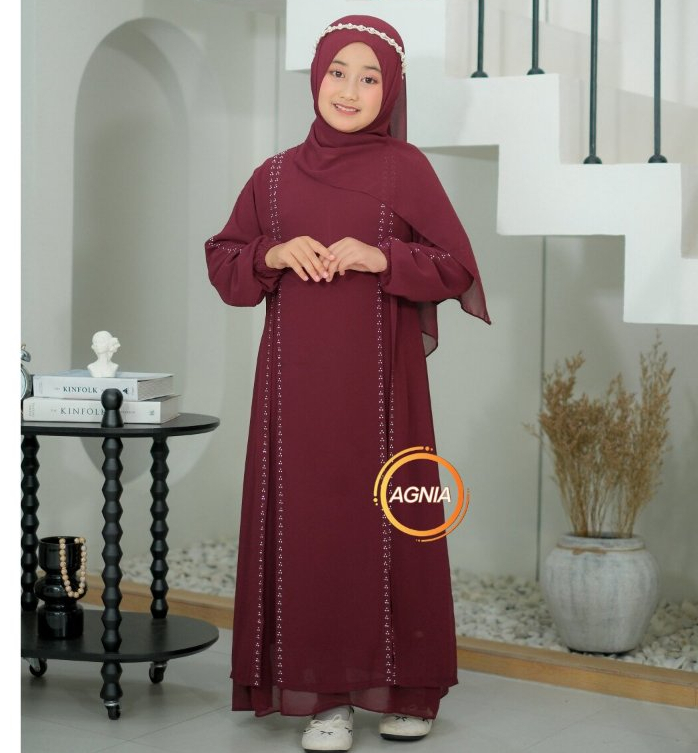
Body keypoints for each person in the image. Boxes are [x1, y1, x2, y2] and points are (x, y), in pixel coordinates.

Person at [205, 14, 490, 752]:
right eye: (338, 72)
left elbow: (457, 267)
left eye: (369, 78)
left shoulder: (405, 169)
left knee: (392, 521)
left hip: (385, 392)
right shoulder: (272, 177)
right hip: (295, 395)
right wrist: (272, 252)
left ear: (389, 91)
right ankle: (324, 698)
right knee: (311, 530)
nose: (350, 90)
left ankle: (407, 689)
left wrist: (381, 257)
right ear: (316, 75)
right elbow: (226, 261)